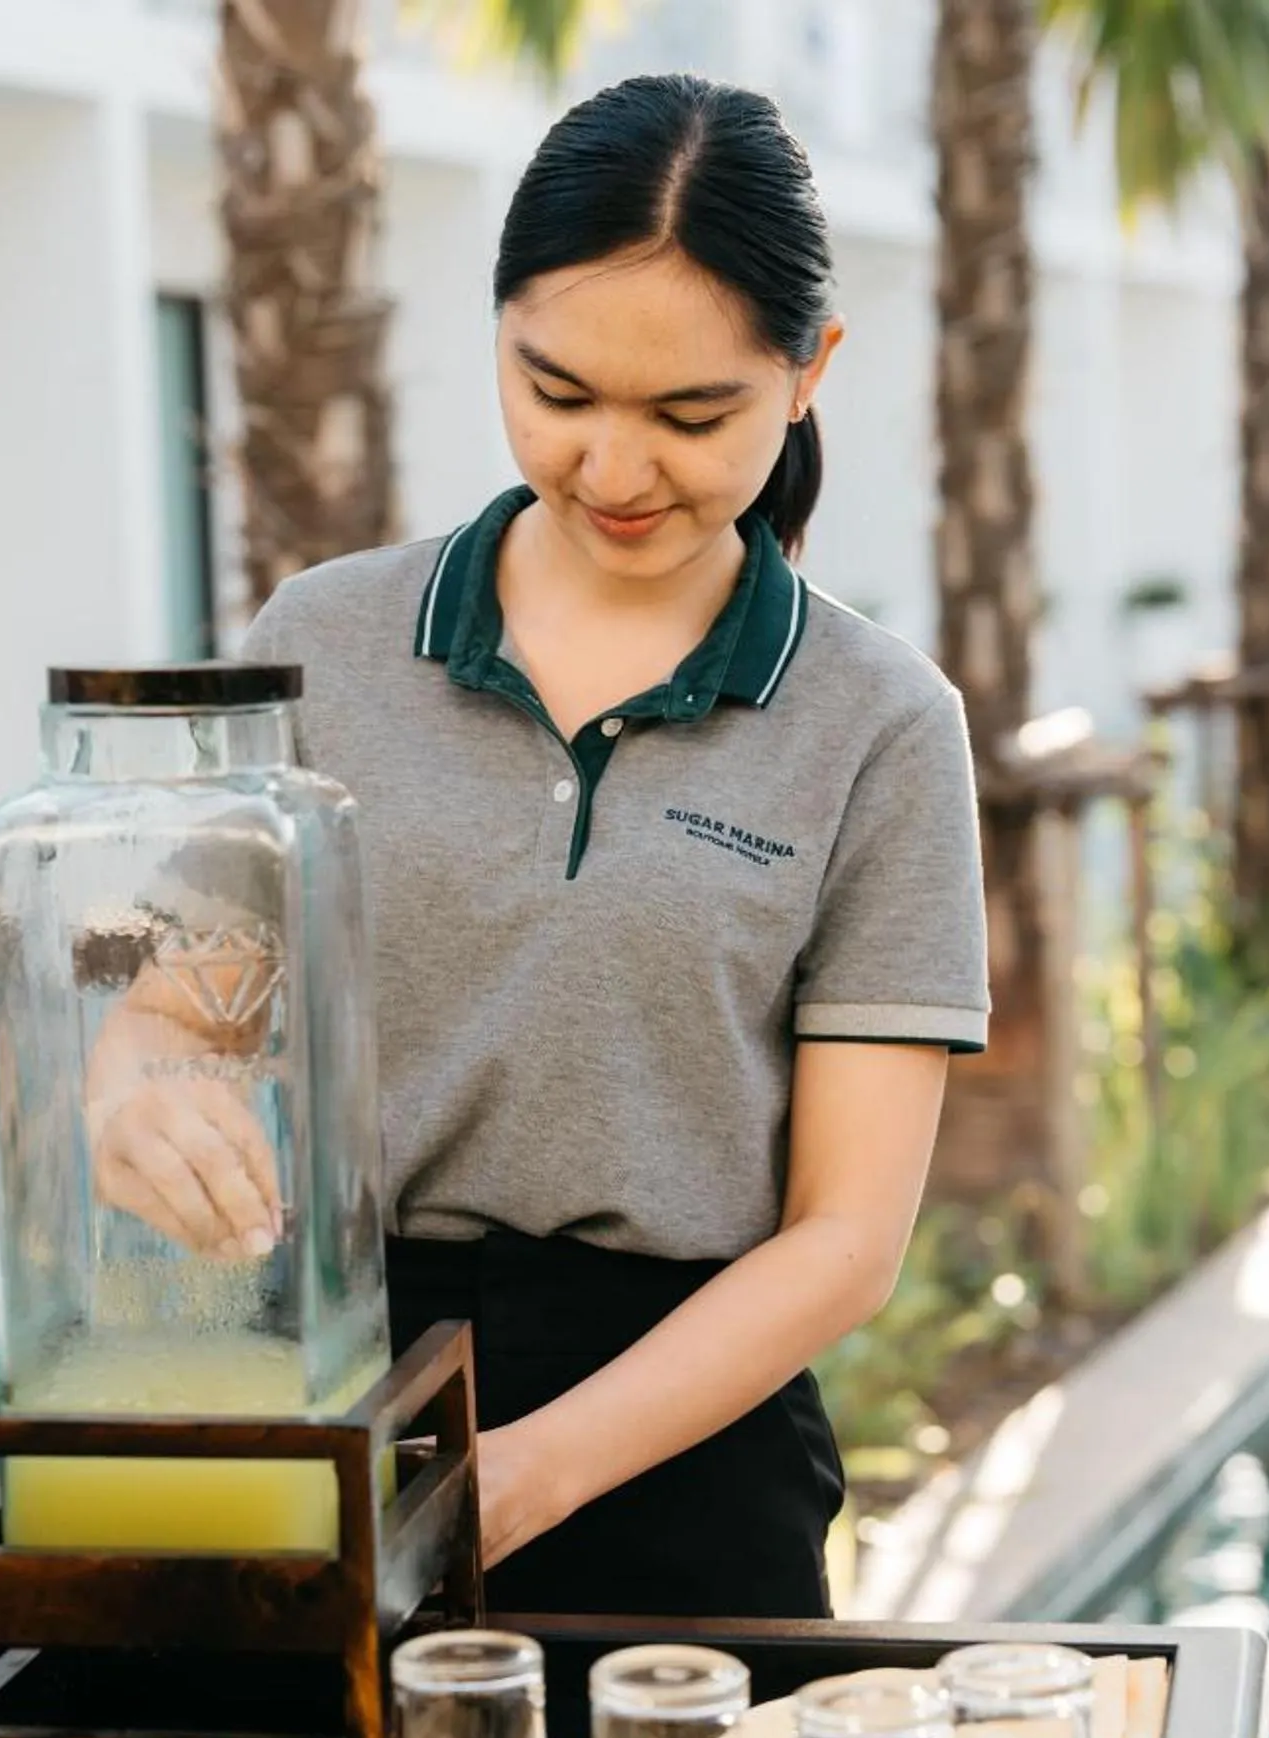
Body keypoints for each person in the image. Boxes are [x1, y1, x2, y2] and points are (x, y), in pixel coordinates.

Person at [91, 73, 989, 1619]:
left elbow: (844, 1240)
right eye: (557, 393)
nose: (616, 472)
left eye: (693, 416)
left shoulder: (882, 724)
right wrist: (128, 1095)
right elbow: (169, 1000)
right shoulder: (325, 639)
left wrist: (532, 1471)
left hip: (684, 1464)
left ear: (809, 372)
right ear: (497, 331)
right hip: (327, 1399)